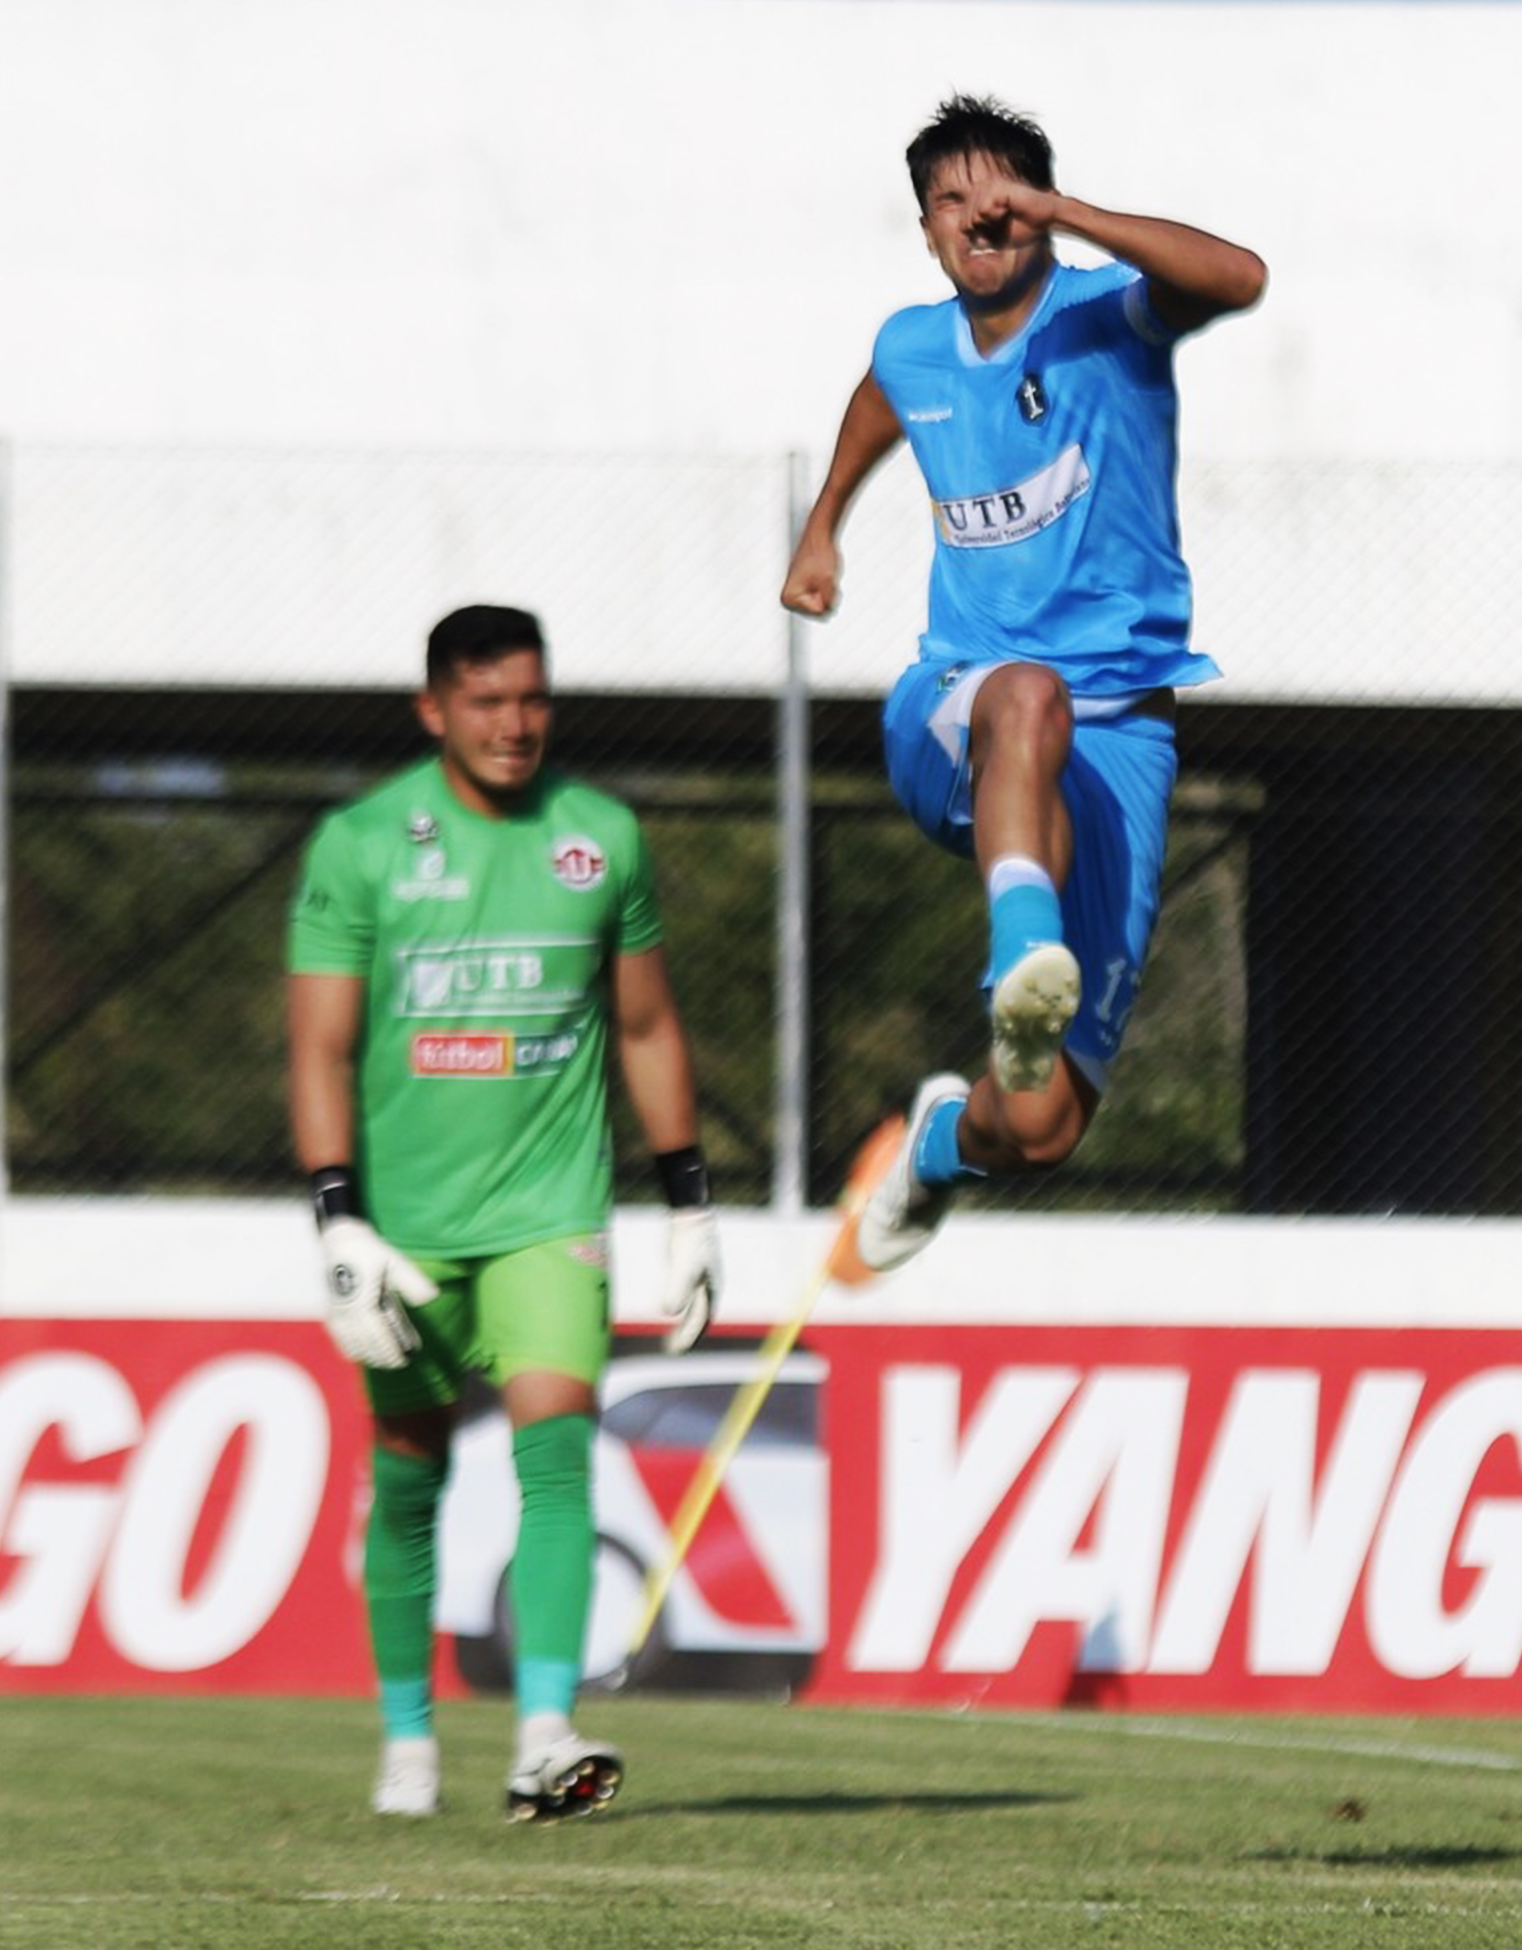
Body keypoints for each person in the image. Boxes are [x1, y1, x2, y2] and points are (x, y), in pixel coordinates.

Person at [779, 94, 1264, 1273]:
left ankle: (938, 1145)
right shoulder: (912, 343)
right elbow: (882, 393)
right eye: (952, 202)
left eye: (1002, 196)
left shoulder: (1109, 315)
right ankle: (1022, 957)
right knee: (1025, 693)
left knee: (1041, 1128)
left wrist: (1073, 214)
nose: (978, 217)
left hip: (1118, 739)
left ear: (1038, 211)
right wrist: (824, 522)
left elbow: (1240, 276)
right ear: (927, 230)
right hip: (959, 709)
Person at [285, 603, 722, 1821]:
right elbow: (317, 1050)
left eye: (531, 699)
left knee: (558, 1450)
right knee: (412, 1475)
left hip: (550, 1212)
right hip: (405, 1234)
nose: (514, 724)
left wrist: (690, 1205)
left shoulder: (601, 837)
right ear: (435, 712)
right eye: (486, 703)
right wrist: (337, 1225)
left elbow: (644, 1026)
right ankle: (408, 1742)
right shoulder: (363, 845)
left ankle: (544, 1732)